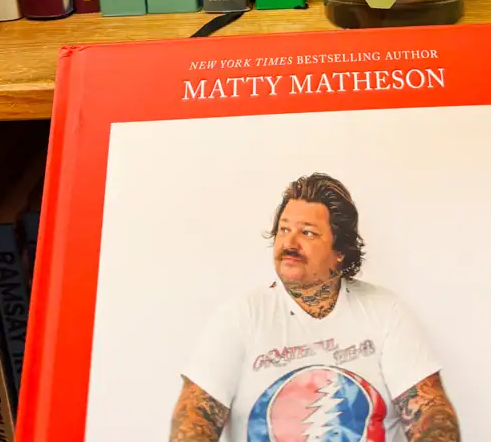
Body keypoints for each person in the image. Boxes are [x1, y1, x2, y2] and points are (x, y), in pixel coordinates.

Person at [170, 173, 460, 442]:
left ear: (339, 252)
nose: (289, 242)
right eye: (283, 230)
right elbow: (196, 414)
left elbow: (430, 412)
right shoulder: (240, 318)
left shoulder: (385, 312)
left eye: (307, 233)